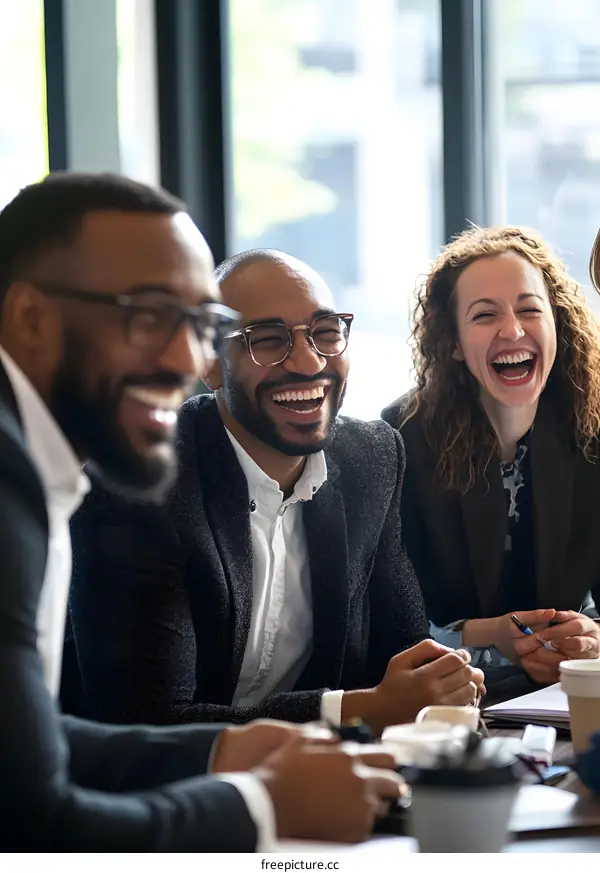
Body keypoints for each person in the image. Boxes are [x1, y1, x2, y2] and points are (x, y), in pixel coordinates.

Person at [0, 173, 403, 850]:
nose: (190, 360)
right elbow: (35, 820)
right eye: (151, 317)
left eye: (201, 326)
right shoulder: (13, 481)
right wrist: (263, 806)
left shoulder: (44, 471)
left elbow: (31, 750)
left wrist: (222, 750)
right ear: (33, 320)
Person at [64, 248, 484, 737]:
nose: (308, 362)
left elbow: (405, 653)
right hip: (154, 798)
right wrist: (352, 710)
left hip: (324, 775)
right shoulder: (136, 486)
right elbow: (150, 725)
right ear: (209, 364)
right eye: (267, 340)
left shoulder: (371, 456)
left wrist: (446, 682)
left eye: (326, 332)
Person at [382, 225, 600, 689]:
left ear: (557, 324)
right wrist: (489, 636)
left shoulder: (593, 430)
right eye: (485, 315)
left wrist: (590, 640)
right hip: (440, 701)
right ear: (454, 343)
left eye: (529, 310)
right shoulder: (400, 439)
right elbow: (383, 620)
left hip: (563, 697)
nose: (513, 330)